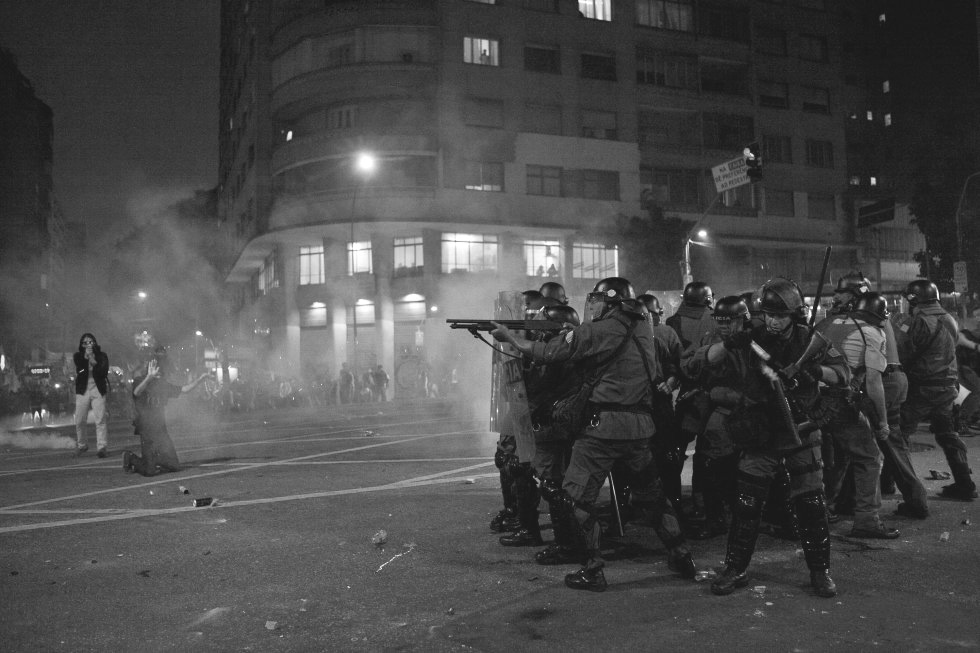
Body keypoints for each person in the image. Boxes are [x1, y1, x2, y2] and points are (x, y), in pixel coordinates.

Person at [492, 277, 696, 592]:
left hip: (604, 430)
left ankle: (592, 569)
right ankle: (681, 554)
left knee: (576, 497)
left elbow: (549, 352)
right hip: (639, 427)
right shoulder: (644, 327)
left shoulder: (599, 330)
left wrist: (511, 338)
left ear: (608, 301)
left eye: (595, 298)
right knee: (652, 496)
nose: (592, 305)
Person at [708, 278, 843, 598]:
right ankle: (735, 567)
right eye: (767, 314)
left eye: (779, 315)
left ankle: (820, 571)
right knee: (747, 503)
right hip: (761, 433)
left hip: (801, 431)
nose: (772, 320)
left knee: (811, 505)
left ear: (794, 314)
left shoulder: (812, 339)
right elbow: (707, 361)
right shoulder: (751, 338)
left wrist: (816, 372)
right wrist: (730, 343)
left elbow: (843, 373)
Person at [814, 292, 900, 539]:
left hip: (810, 399)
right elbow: (873, 381)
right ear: (879, 315)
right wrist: (881, 421)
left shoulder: (827, 323)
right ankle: (867, 521)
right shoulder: (872, 333)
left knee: (835, 458)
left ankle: (821, 509)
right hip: (839, 400)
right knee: (869, 457)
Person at [898, 279, 977, 500]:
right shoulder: (948, 318)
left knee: (898, 435)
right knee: (947, 434)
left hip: (922, 388)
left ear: (914, 300)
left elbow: (903, 353)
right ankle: (965, 484)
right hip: (946, 387)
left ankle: (910, 493)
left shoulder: (917, 322)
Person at [680, 296, 749, 539]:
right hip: (716, 413)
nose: (723, 325)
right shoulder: (710, 339)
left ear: (742, 319)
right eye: (719, 320)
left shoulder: (753, 341)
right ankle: (715, 516)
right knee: (710, 464)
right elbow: (688, 364)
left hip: (746, 412)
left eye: (728, 321)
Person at [665, 280, 716, 520]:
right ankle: (702, 506)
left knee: (676, 450)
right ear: (708, 299)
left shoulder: (673, 322)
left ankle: (672, 502)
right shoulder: (717, 321)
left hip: (686, 395)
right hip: (712, 396)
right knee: (706, 454)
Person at [122, 346, 209, 476]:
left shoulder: (162, 384)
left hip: (160, 428)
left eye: (160, 368)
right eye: (155, 367)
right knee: (149, 471)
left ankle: (156, 458)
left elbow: (184, 389)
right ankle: (130, 457)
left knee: (174, 466)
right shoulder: (141, 380)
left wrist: (200, 380)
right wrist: (149, 378)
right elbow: (137, 392)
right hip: (146, 429)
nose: (158, 371)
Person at [72, 333, 110, 457]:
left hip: (98, 389)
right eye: (85, 342)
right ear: (81, 345)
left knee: (100, 419)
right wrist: (85, 357)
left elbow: (102, 371)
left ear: (94, 342)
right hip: (83, 390)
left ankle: (102, 447)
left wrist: (92, 359)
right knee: (79, 419)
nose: (88, 344)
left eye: (90, 342)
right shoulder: (78, 356)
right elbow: (80, 370)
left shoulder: (102, 356)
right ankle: (82, 445)